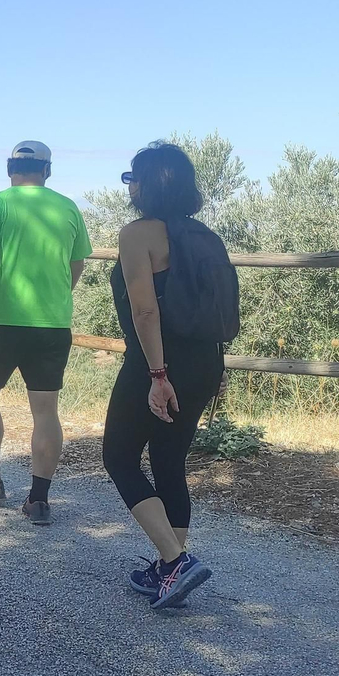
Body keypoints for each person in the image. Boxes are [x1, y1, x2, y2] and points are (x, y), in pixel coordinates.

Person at [104, 143, 237, 610]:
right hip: (205, 359)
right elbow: (217, 306)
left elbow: (145, 310)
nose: (130, 186)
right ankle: (168, 573)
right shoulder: (205, 236)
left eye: (132, 177)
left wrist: (158, 374)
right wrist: (212, 368)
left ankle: (175, 560)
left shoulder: (137, 233)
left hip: (157, 360)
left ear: (148, 185)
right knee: (168, 460)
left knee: (118, 457)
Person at [0, 141, 91, 525]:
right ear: (48, 170)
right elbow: (76, 263)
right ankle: (39, 500)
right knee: (46, 411)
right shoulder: (67, 207)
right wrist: (58, 297)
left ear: (9, 168)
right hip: (52, 324)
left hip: (0, 321)